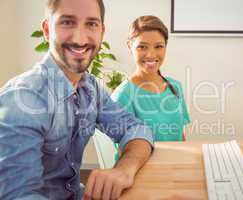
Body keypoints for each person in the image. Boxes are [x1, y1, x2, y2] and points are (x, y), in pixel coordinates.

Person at [0, 0, 154, 199]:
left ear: (101, 32)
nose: (80, 39)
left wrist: (124, 169)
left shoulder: (91, 88)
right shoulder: (22, 100)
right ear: (47, 30)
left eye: (91, 24)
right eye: (67, 22)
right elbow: (18, 196)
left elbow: (136, 129)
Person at [111, 15, 190, 141]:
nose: (151, 54)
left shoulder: (175, 87)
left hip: (176, 160)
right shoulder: (122, 96)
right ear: (129, 47)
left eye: (158, 46)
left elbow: (181, 137)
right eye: (142, 47)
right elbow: (124, 150)